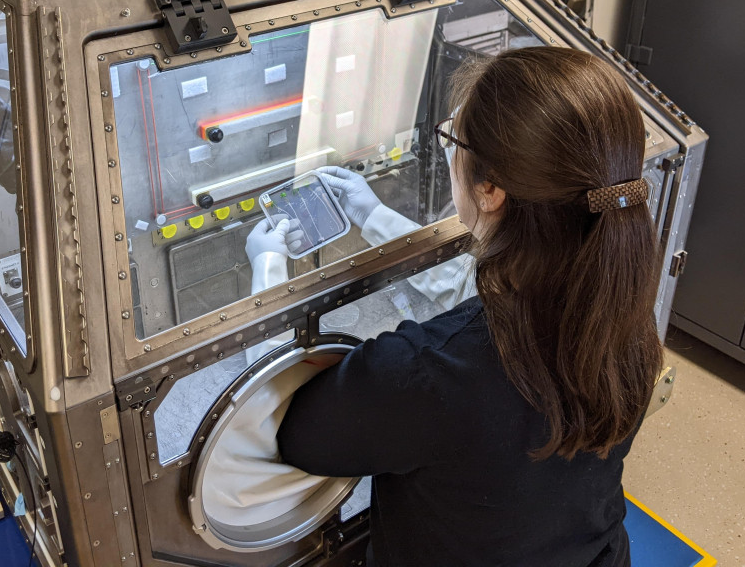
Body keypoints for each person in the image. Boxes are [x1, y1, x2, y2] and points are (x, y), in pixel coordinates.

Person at [270, 47, 663, 567]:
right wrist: (374, 215)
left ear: (492, 188)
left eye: (454, 141)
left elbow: (298, 436)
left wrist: (269, 271)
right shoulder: (622, 312)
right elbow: (475, 288)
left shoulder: (424, 373)